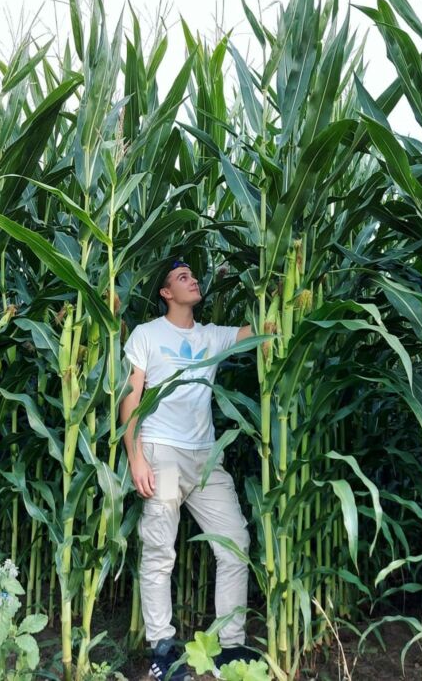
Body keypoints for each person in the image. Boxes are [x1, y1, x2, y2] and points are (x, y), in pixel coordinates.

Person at [121, 260, 255, 681]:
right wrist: (135, 454)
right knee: (160, 549)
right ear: (165, 293)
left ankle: (229, 647)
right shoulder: (147, 335)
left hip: (205, 456)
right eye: (182, 277)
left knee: (235, 542)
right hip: (160, 451)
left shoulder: (212, 336)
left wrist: (268, 279)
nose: (193, 280)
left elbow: (268, 329)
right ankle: (162, 648)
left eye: (194, 276)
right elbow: (131, 395)